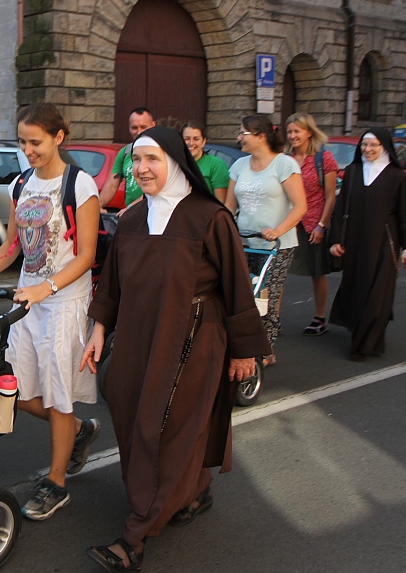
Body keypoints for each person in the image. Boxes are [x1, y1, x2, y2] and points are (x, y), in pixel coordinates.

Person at [79, 126, 270, 572]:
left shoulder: (209, 217)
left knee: (163, 428)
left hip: (193, 337)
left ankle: (136, 535)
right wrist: (99, 328)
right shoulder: (130, 219)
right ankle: (196, 491)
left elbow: (237, 287)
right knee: (129, 410)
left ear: (176, 163)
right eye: (136, 159)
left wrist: (244, 351)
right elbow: (113, 283)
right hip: (138, 336)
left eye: (152, 159)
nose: (141, 168)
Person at [0, 102, 101, 521]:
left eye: (35, 142)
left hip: (64, 303)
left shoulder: (80, 185)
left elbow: (87, 255)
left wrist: (48, 286)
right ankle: (78, 430)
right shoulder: (21, 183)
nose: (28, 150)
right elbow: (13, 245)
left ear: (59, 137)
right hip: (29, 303)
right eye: (23, 142)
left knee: (59, 397)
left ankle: (56, 484)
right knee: (19, 391)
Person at [329, 128, 406, 361]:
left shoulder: (396, 176)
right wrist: (336, 239)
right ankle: (366, 338)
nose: (368, 149)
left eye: (373, 145)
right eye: (364, 145)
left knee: (378, 293)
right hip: (354, 242)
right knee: (357, 289)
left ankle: (362, 346)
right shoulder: (353, 172)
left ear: (384, 147)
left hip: (384, 242)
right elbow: (341, 208)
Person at [225, 115, 306, 365]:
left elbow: (300, 206)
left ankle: (265, 347)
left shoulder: (284, 164)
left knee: (266, 297)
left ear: (261, 136)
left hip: (276, 245)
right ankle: (243, 344)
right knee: (243, 296)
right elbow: (229, 207)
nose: (239, 137)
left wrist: (278, 230)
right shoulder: (239, 165)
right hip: (244, 242)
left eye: (243, 133)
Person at [284, 113, 338, 336]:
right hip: (289, 223)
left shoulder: (323, 158)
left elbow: (330, 196)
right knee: (278, 270)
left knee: (317, 272)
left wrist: (321, 225)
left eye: (297, 131)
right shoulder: (285, 158)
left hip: (312, 224)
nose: (292, 136)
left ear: (308, 132)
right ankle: (271, 319)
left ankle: (319, 317)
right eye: (289, 132)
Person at [100, 108, 157, 210]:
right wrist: (98, 206)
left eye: (143, 127)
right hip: (132, 214)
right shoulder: (125, 152)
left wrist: (130, 208)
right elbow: (112, 185)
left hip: (153, 211)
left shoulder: (161, 151)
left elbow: (159, 189)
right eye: (134, 127)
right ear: (129, 129)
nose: (139, 132)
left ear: (153, 125)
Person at [181, 121, 229, 203]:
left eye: (196, 139)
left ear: (204, 142)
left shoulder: (216, 164)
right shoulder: (176, 163)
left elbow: (221, 202)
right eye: (187, 139)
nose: (191, 143)